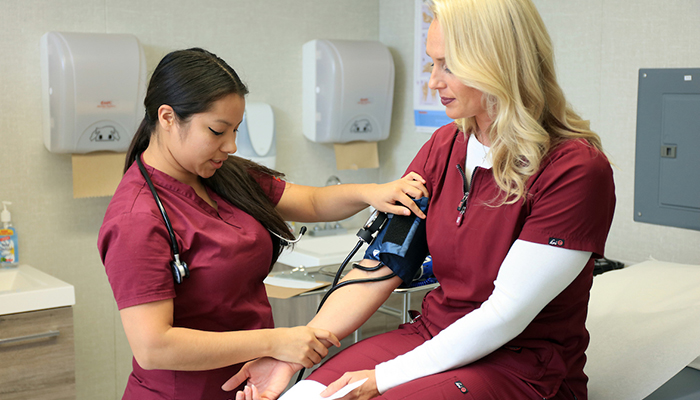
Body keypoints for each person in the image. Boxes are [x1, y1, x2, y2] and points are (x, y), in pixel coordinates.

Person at [224, 0, 616, 399]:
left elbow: (505, 315)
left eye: (449, 65)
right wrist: (293, 354)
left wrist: (383, 378)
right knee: (304, 396)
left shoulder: (574, 170)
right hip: (431, 334)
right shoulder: (444, 148)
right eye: (432, 64)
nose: (433, 82)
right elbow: (385, 262)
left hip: (520, 364)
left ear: (499, 63)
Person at [97, 47, 429, 400]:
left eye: (236, 130)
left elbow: (313, 202)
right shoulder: (137, 218)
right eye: (217, 131)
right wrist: (277, 341)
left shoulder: (224, 175)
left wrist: (374, 192)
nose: (231, 145)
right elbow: (154, 347)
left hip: (252, 386)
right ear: (167, 117)